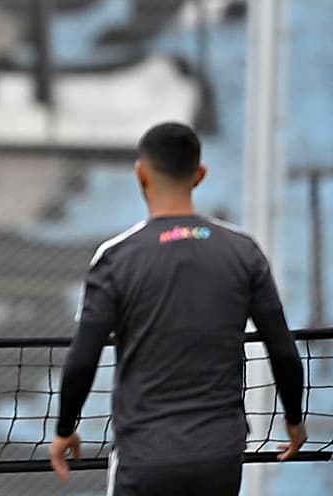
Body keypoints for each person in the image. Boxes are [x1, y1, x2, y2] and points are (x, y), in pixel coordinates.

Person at [50, 121, 306, 495]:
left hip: (145, 455)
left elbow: (83, 358)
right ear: (199, 175)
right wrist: (295, 420)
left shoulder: (115, 257)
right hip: (219, 455)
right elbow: (283, 350)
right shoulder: (243, 251)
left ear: (141, 174)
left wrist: (64, 427)